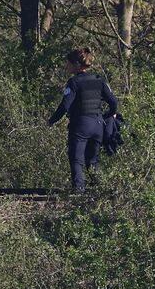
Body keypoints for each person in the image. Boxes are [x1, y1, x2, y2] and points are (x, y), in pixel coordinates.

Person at [47, 47, 118, 193]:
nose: (66, 66)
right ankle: (101, 191)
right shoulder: (99, 80)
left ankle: (79, 194)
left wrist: (51, 120)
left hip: (80, 126)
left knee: (76, 160)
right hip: (98, 125)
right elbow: (113, 102)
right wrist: (108, 115)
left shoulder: (74, 82)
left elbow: (65, 106)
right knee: (93, 161)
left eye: (68, 63)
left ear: (76, 65)